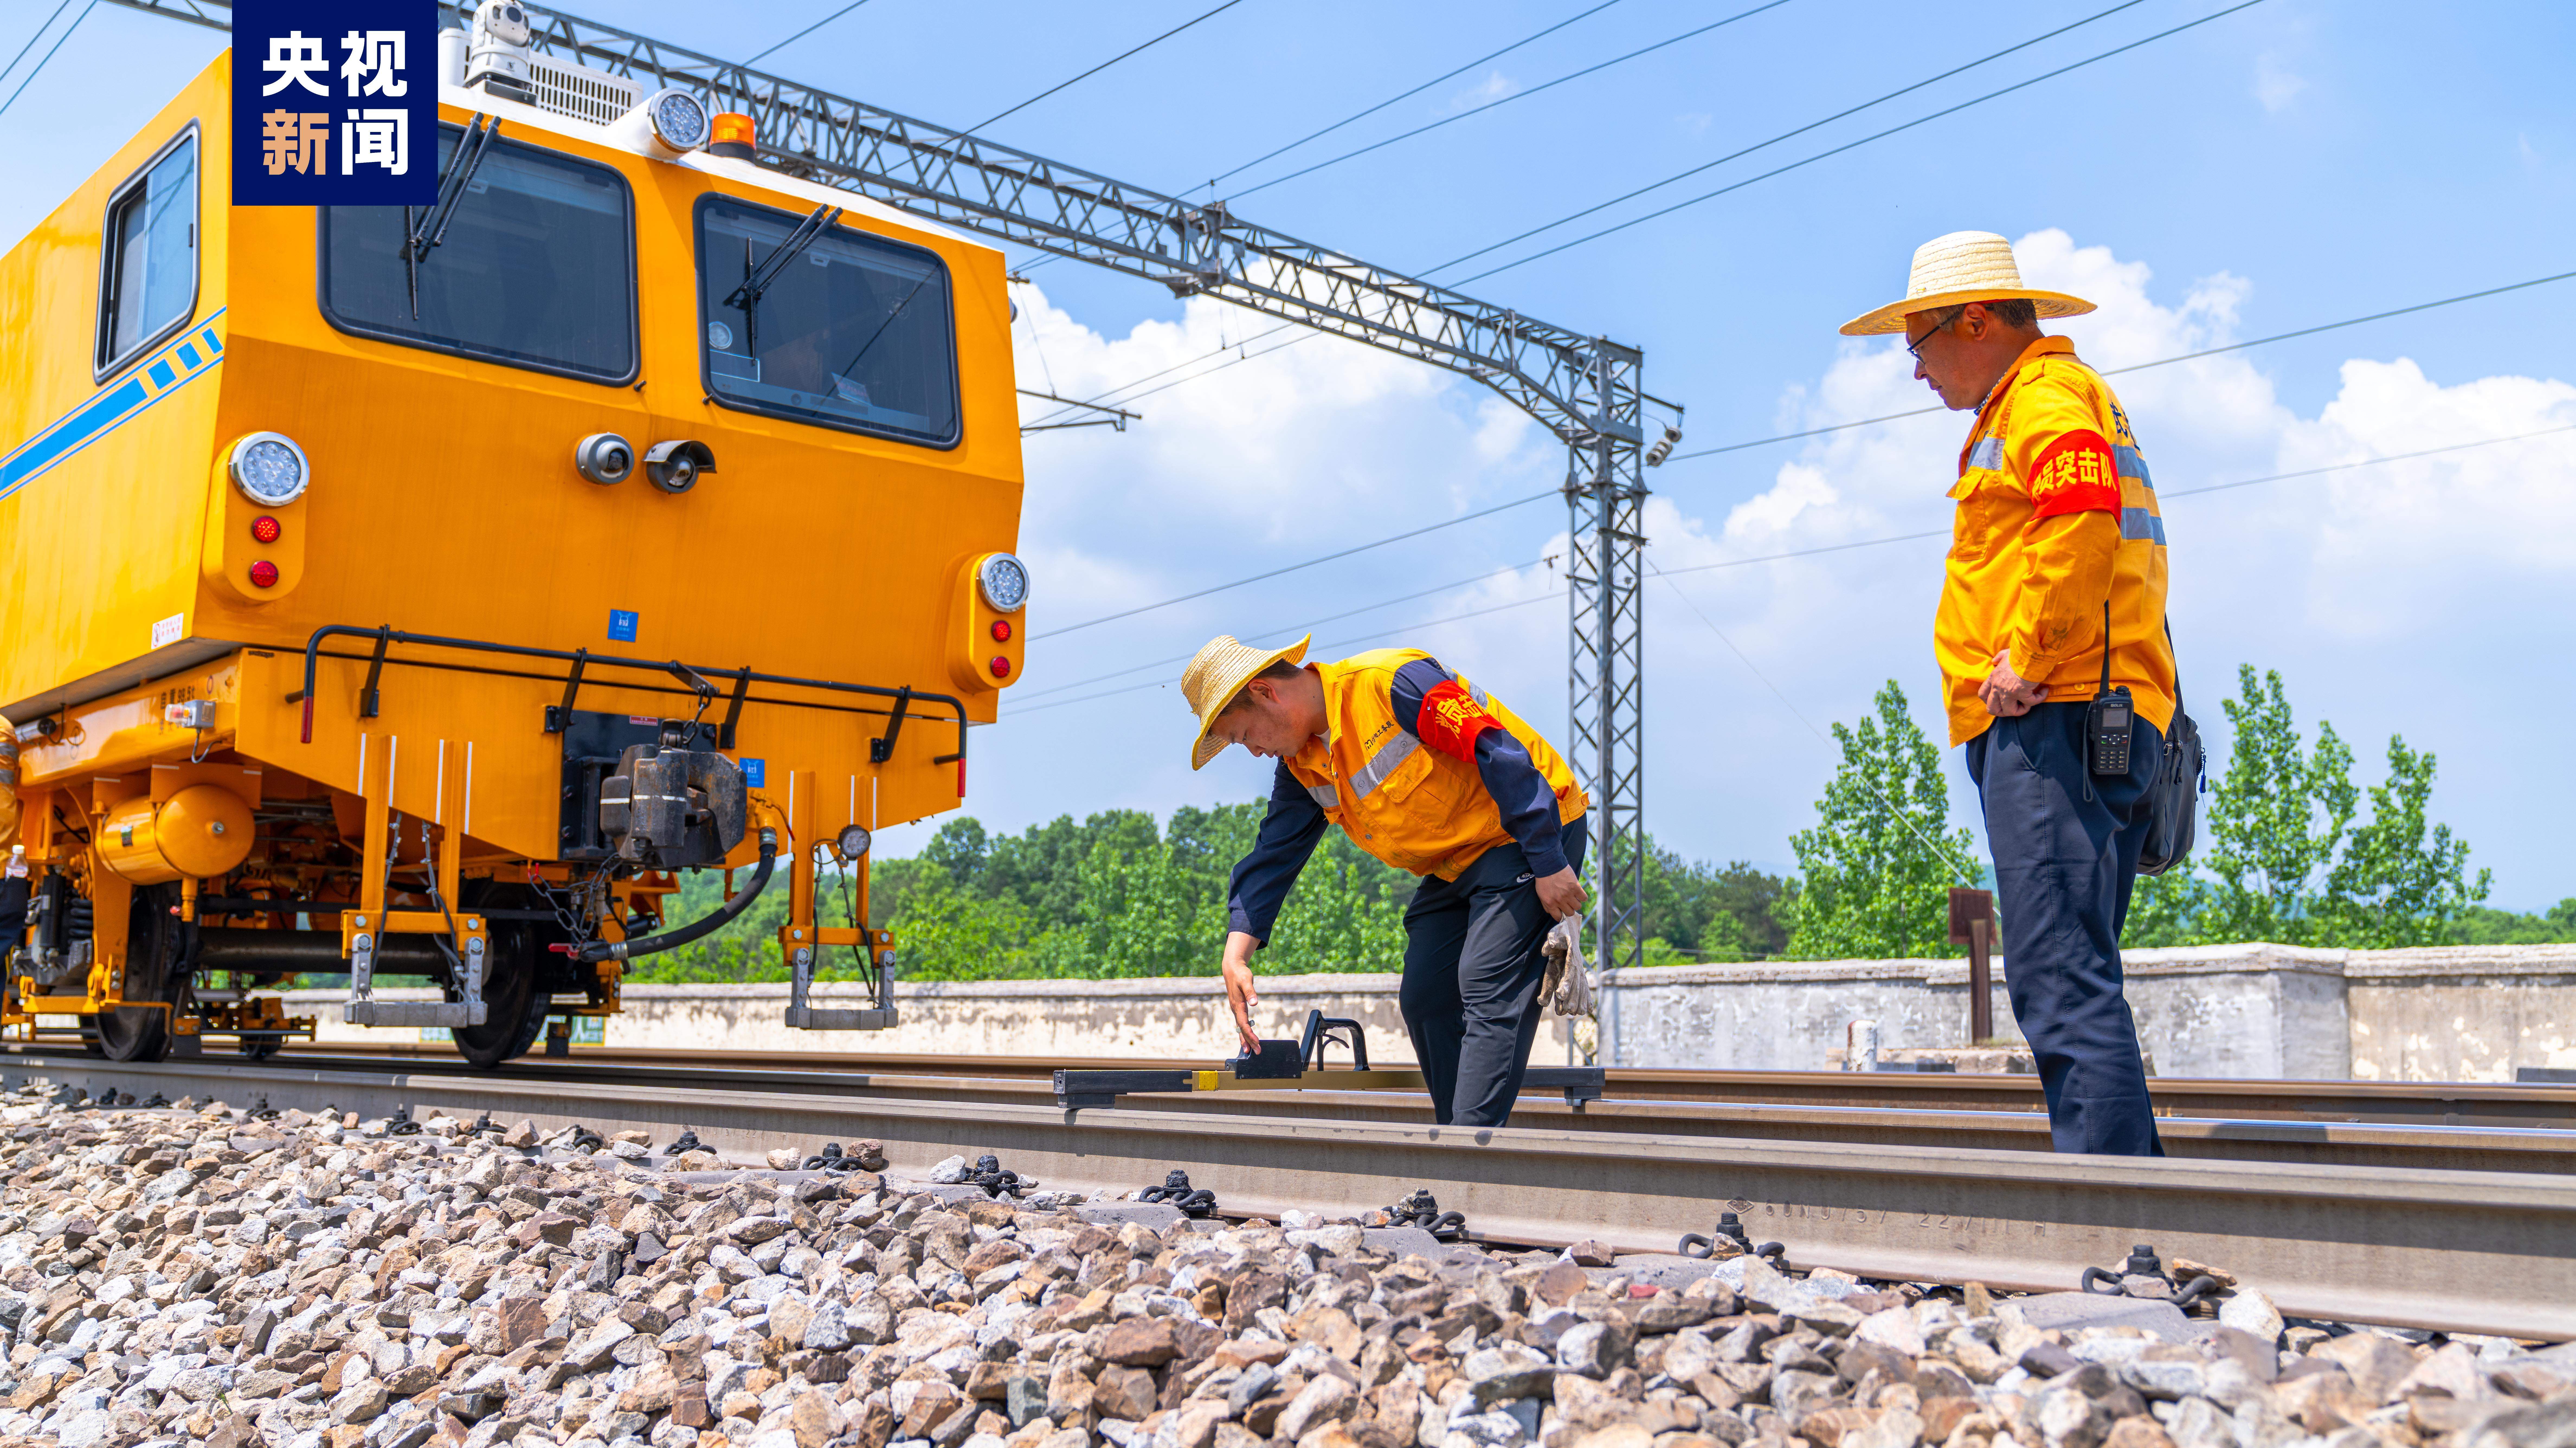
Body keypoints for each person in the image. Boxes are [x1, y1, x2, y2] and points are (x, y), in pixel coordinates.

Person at [1841, 231, 2175, 1156]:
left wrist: (2024, 657)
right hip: (2091, 706)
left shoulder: (2045, 395)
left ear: (1975, 320)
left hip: (2054, 713)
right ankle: (2133, 1198)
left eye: (1917, 346)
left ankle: (2116, 1218)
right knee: (2076, 969)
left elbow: (2082, 527)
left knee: (2059, 977)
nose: (1915, 373)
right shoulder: (2039, 403)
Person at [1181, 635, 1588, 1127]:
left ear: (1267, 693)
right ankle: (1461, 1140)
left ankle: (1471, 1156)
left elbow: (1496, 750)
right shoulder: (1303, 766)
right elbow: (1276, 852)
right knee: (1427, 995)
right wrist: (1236, 952)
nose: (1254, 752)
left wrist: (1548, 861)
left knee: (1485, 984)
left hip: (1527, 832)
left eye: (1245, 735)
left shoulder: (1392, 683)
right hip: (1457, 863)